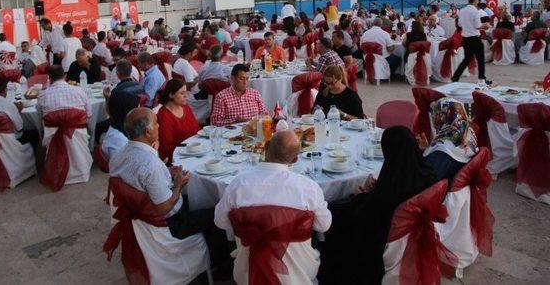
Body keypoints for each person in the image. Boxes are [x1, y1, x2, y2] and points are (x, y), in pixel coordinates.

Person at [109, 107, 230, 270]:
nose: (159, 126)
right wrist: (178, 185)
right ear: (147, 131)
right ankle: (219, 265)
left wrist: (166, 172)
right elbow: (164, 208)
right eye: (157, 123)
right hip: (170, 223)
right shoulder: (149, 164)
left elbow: (138, 179)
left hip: (141, 213)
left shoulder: (118, 155)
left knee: (201, 198)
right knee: (219, 211)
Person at [318, 126, 437, 283]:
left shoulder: (389, 190)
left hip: (382, 239)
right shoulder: (428, 174)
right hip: (408, 231)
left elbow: (365, 216)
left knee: (334, 215)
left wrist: (359, 197)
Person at [215, 129, 332, 283]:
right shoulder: (308, 187)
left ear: (266, 146)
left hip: (248, 272)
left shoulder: (238, 184)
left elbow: (220, 221)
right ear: (295, 160)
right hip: (298, 273)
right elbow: (323, 226)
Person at [416, 98, 478, 181]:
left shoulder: (444, 149)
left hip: (437, 187)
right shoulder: (467, 135)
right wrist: (427, 150)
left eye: (436, 115)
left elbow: (426, 180)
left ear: (443, 116)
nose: (434, 119)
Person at [156, 79, 201, 162]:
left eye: (186, 92)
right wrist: (190, 149)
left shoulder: (186, 108)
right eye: (182, 93)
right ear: (171, 95)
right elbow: (166, 147)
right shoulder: (164, 116)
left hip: (194, 151)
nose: (186, 96)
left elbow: (197, 130)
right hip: (178, 157)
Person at [451, 0, 490, 83]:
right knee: (480, 59)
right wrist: (485, 25)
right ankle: (482, 79)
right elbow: (477, 26)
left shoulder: (462, 11)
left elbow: (460, 24)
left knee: (467, 59)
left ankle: (455, 77)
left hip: (465, 38)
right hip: (475, 38)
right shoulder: (475, 11)